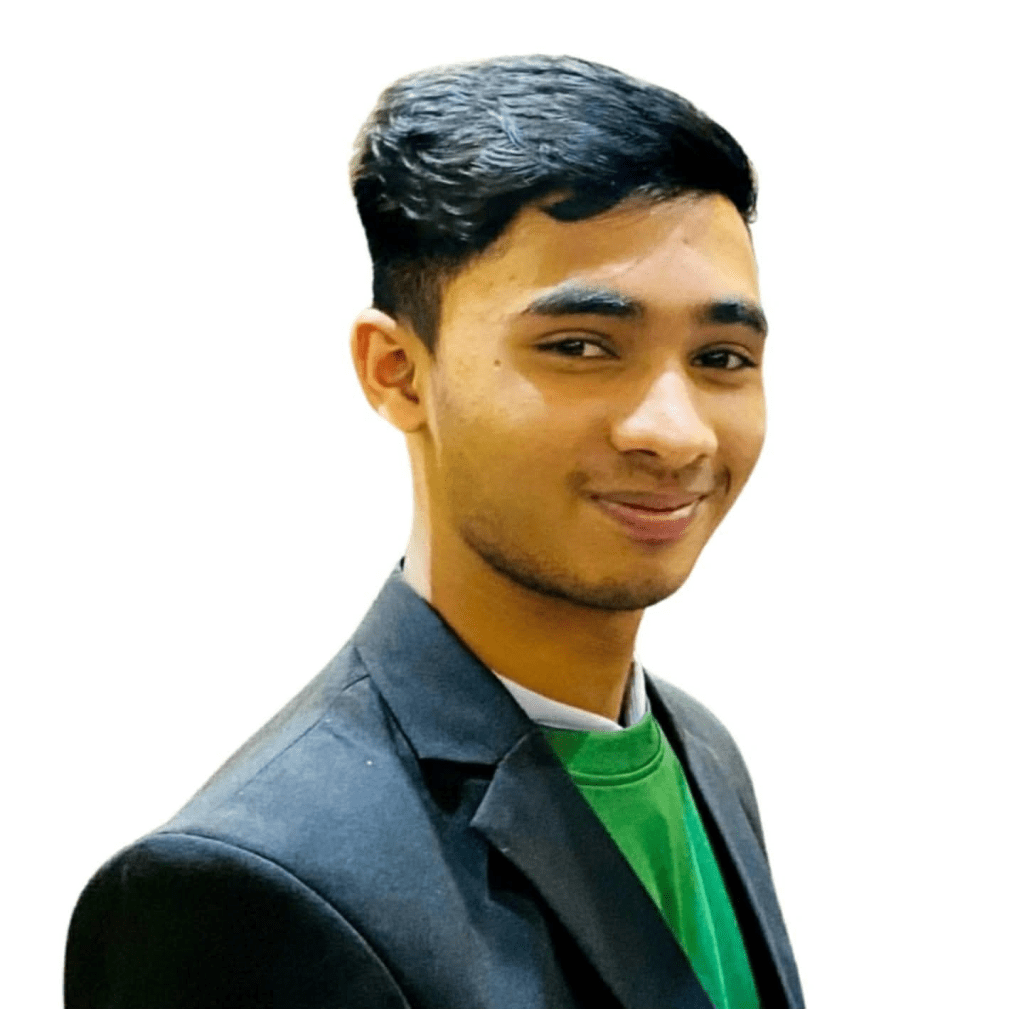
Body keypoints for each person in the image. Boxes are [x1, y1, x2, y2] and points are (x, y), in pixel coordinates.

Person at [65, 54, 804, 1009]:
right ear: (397, 371)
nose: (675, 431)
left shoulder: (699, 750)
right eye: (581, 346)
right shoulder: (242, 890)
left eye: (722, 357)